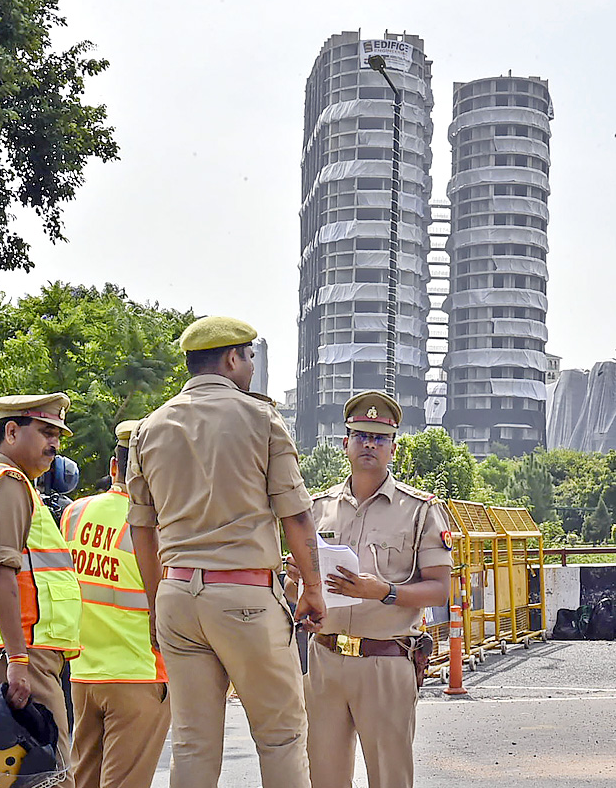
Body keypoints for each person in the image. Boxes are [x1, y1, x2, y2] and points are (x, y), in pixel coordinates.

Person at [128, 316, 326, 788]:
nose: (252, 366)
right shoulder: (261, 419)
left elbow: (141, 529)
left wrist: (158, 602)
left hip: (176, 595)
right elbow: (295, 517)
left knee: (193, 744)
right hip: (244, 597)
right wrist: (314, 589)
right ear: (233, 358)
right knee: (280, 737)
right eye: (250, 357)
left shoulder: (150, 428)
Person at [285, 391, 451, 788]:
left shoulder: (420, 509)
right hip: (325, 659)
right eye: (361, 436)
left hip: (386, 659)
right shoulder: (316, 508)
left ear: (393, 448)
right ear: (345, 444)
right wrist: (297, 581)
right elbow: (296, 592)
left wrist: (383, 591)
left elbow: (439, 589)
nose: (369, 445)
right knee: (323, 778)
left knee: (390, 778)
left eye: (379, 438)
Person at [0, 393, 83, 788]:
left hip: (17, 649)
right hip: (17, 652)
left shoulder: (15, 486)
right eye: (46, 432)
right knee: (50, 778)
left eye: (59, 435)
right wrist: (17, 659)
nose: (55, 444)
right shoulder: (7, 485)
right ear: (11, 431)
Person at [61, 420, 169, 788]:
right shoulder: (159, 525)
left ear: (113, 466)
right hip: (139, 673)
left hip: (83, 673)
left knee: (83, 780)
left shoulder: (74, 513)